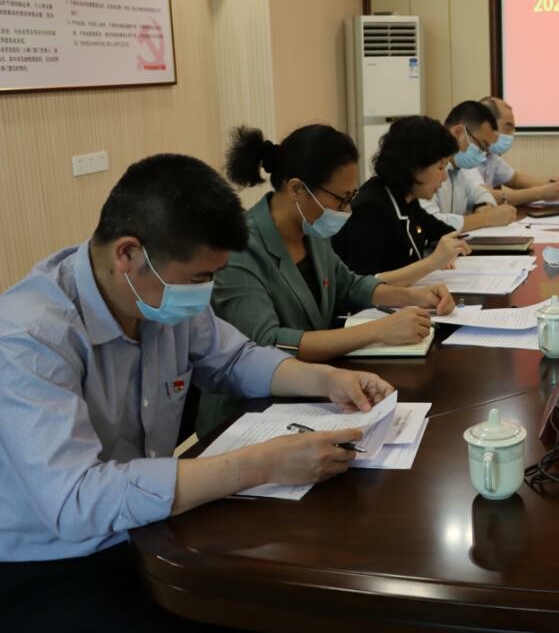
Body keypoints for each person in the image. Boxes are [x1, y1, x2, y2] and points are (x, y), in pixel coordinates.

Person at [0, 154, 393, 629]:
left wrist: (326, 380)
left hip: (152, 526)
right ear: (127, 254)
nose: (206, 293)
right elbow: (77, 502)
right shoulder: (29, 338)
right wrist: (264, 464)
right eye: (199, 279)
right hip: (56, 560)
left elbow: (233, 358)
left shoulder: (157, 294)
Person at [199, 125, 455, 434]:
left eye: (352, 197)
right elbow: (268, 343)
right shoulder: (240, 248)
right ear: (297, 189)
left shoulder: (310, 227)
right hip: (249, 414)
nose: (347, 210)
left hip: (315, 393)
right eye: (341, 199)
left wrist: (415, 296)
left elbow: (349, 285)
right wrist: (378, 331)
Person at [335, 116, 477, 276]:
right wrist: (433, 262)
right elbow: (364, 283)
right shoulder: (370, 208)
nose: (444, 177)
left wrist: (450, 250)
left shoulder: (407, 199)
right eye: (440, 167)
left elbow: (443, 232)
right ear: (414, 165)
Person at [420, 100, 519, 231]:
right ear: (458, 132)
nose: (483, 154)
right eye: (481, 146)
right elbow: (429, 223)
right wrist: (487, 218)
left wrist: (483, 206)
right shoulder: (425, 165)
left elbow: (481, 193)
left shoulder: (459, 170)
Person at [478, 96, 559, 206]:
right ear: (487, 125)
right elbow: (484, 196)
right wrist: (540, 193)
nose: (510, 135)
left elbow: (515, 179)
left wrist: (552, 182)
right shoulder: (468, 158)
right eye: (507, 127)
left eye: (513, 129)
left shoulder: (491, 157)